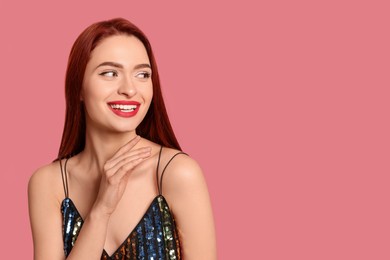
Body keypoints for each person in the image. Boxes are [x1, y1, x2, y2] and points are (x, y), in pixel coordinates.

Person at [28, 17, 216, 260]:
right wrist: (101, 210)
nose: (129, 89)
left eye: (142, 74)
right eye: (110, 73)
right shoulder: (50, 184)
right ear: (80, 88)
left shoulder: (176, 173)